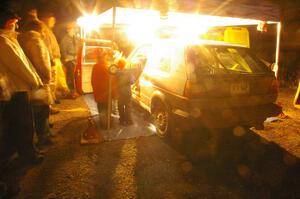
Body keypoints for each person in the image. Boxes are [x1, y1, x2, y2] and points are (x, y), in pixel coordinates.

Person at [0, 9, 44, 164]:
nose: (17, 24)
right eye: (15, 21)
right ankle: (28, 155)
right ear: (8, 22)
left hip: (14, 89)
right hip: (17, 89)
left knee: (16, 124)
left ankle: (21, 153)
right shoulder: (3, 41)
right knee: (24, 124)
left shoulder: (9, 39)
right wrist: (35, 81)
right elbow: (19, 66)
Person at [18, 19, 54, 146]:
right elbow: (41, 61)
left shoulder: (21, 39)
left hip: (29, 80)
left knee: (36, 109)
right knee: (42, 109)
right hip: (39, 80)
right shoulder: (35, 40)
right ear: (38, 29)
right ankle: (44, 137)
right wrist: (47, 76)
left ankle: (45, 133)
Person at [39, 11, 70, 104]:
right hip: (51, 59)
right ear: (47, 19)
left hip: (54, 58)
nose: (54, 21)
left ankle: (53, 97)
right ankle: (50, 102)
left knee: (56, 81)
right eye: (53, 19)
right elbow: (47, 46)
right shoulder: (44, 30)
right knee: (51, 81)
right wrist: (51, 60)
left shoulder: (48, 30)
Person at [91, 48, 117, 128]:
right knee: (106, 110)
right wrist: (114, 93)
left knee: (101, 109)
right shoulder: (104, 67)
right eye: (105, 55)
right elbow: (111, 81)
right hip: (106, 95)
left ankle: (104, 122)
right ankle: (106, 124)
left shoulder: (95, 67)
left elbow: (93, 81)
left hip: (99, 94)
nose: (106, 57)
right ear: (103, 57)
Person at [60, 22, 80, 98]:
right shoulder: (65, 39)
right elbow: (63, 49)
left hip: (74, 59)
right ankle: (71, 93)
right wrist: (65, 58)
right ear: (68, 30)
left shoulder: (75, 38)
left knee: (73, 76)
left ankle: (73, 91)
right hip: (69, 59)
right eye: (73, 29)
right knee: (70, 76)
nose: (75, 30)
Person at [116, 57, 134, 125]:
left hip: (120, 92)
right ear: (125, 64)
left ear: (118, 64)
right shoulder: (129, 72)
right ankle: (129, 121)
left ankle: (122, 120)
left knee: (120, 106)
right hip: (128, 92)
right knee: (128, 106)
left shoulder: (117, 72)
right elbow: (132, 81)